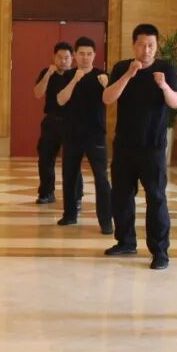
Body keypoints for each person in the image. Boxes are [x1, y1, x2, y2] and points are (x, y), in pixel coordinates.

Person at [101, 23, 177, 270]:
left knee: (156, 198)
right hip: (124, 145)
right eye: (141, 45)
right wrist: (128, 75)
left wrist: (163, 86)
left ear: (156, 47)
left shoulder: (166, 69)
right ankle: (126, 241)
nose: (146, 50)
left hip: (153, 147)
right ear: (133, 45)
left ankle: (160, 251)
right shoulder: (121, 68)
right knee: (121, 196)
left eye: (151, 46)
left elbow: (175, 102)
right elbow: (107, 98)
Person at [56, 36, 112, 233]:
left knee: (101, 178)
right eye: (81, 54)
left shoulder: (102, 76)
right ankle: (70, 215)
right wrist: (75, 80)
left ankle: (106, 221)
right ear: (75, 55)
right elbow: (60, 100)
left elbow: (111, 100)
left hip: (95, 134)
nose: (85, 57)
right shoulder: (67, 75)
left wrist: (107, 86)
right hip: (72, 134)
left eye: (89, 54)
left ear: (94, 55)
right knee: (70, 175)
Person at [33, 41, 82, 206]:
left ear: (72, 58)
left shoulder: (76, 75)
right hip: (51, 121)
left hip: (72, 121)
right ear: (54, 57)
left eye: (66, 57)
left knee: (73, 160)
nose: (63, 61)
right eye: (59, 57)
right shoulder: (47, 73)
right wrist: (47, 75)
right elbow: (37, 94)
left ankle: (76, 196)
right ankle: (46, 192)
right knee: (45, 158)